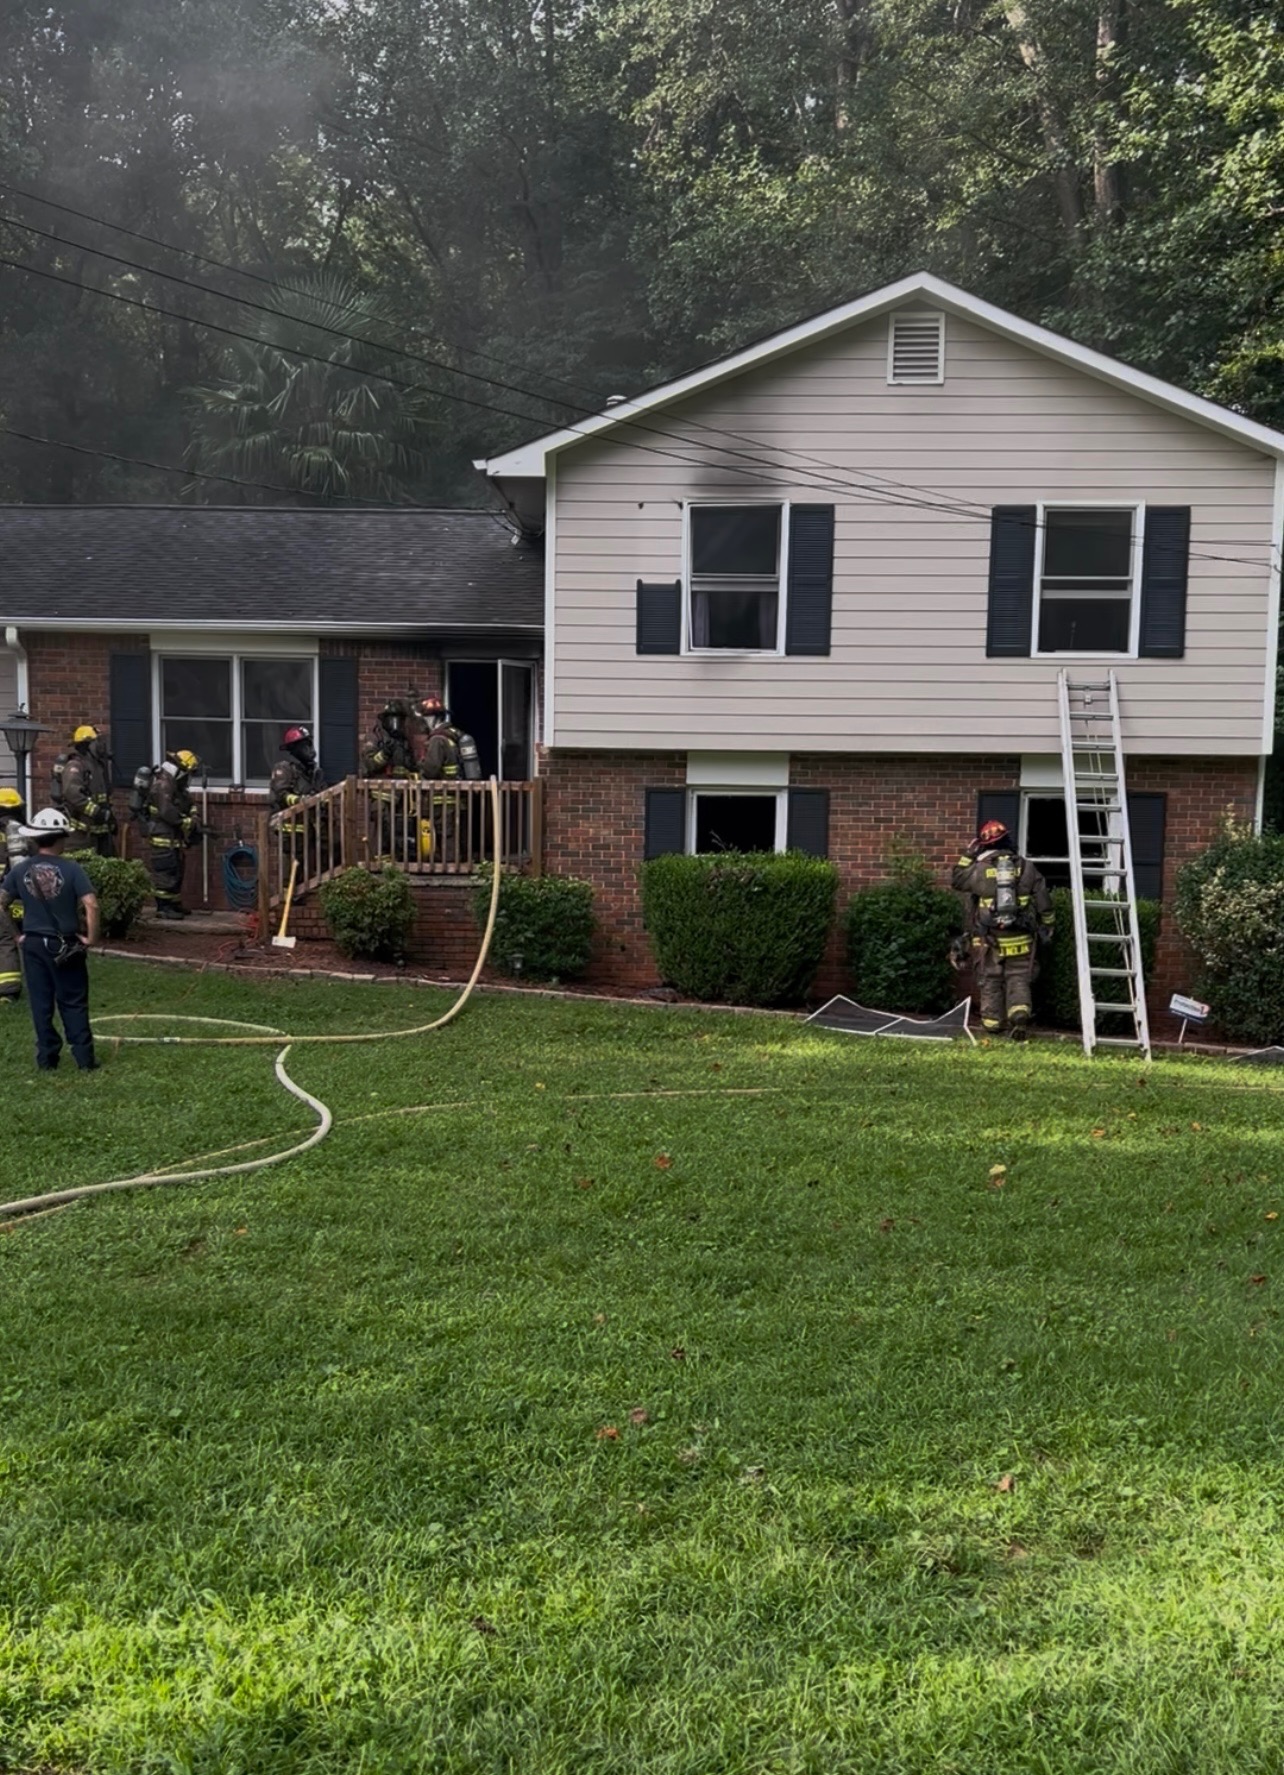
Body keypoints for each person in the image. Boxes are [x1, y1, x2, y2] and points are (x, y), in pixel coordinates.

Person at [0, 807, 100, 1072]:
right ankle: (84, 1059)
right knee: (73, 1001)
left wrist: (17, 935)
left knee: (41, 1003)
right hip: (65, 944)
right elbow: (91, 904)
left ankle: (47, 1059)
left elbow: (1, 903)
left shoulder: (21, 869)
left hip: (33, 944)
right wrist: (91, 938)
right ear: (60, 838)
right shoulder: (72, 869)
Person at [952, 818, 1054, 1039]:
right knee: (1018, 978)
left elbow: (957, 879)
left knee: (990, 979)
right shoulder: (1026, 867)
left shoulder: (980, 869)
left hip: (988, 940)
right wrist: (1048, 924)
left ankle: (992, 1023)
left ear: (984, 845)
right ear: (1008, 841)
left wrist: (969, 854)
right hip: (1021, 937)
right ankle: (1019, 1014)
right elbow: (1044, 901)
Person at [140, 750, 203, 919]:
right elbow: (166, 811)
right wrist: (185, 822)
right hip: (162, 835)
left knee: (176, 870)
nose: (188, 778)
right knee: (165, 871)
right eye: (188, 774)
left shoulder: (175, 784)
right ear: (181, 770)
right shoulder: (163, 784)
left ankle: (174, 904)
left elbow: (188, 803)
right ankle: (163, 907)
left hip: (173, 836)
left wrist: (194, 815)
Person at [361, 699, 419, 859]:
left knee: (401, 829)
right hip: (381, 795)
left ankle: (398, 859)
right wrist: (385, 753)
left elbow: (409, 766)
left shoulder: (404, 741)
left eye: (399, 719)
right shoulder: (375, 738)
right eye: (392, 719)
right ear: (384, 720)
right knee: (383, 828)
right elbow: (369, 765)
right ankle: (380, 860)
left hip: (402, 796)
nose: (396, 723)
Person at [270, 724, 329, 871]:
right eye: (304, 745)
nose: (309, 749)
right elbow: (281, 795)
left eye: (309, 744)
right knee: (291, 873)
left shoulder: (315, 772)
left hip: (311, 830)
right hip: (290, 830)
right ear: (294, 749)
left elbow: (324, 794)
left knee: (311, 872)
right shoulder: (285, 768)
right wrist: (300, 800)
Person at [55, 725, 116, 857]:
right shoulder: (75, 766)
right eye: (98, 742)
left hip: (98, 836)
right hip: (80, 838)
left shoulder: (97, 767)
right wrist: (96, 812)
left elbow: (102, 798)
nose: (102, 746)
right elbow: (73, 794)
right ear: (87, 745)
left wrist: (110, 818)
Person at [0, 787, 26, 1002]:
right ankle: (9, 990)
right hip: (15, 899)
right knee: (7, 940)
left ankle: (8, 988)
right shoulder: (22, 834)